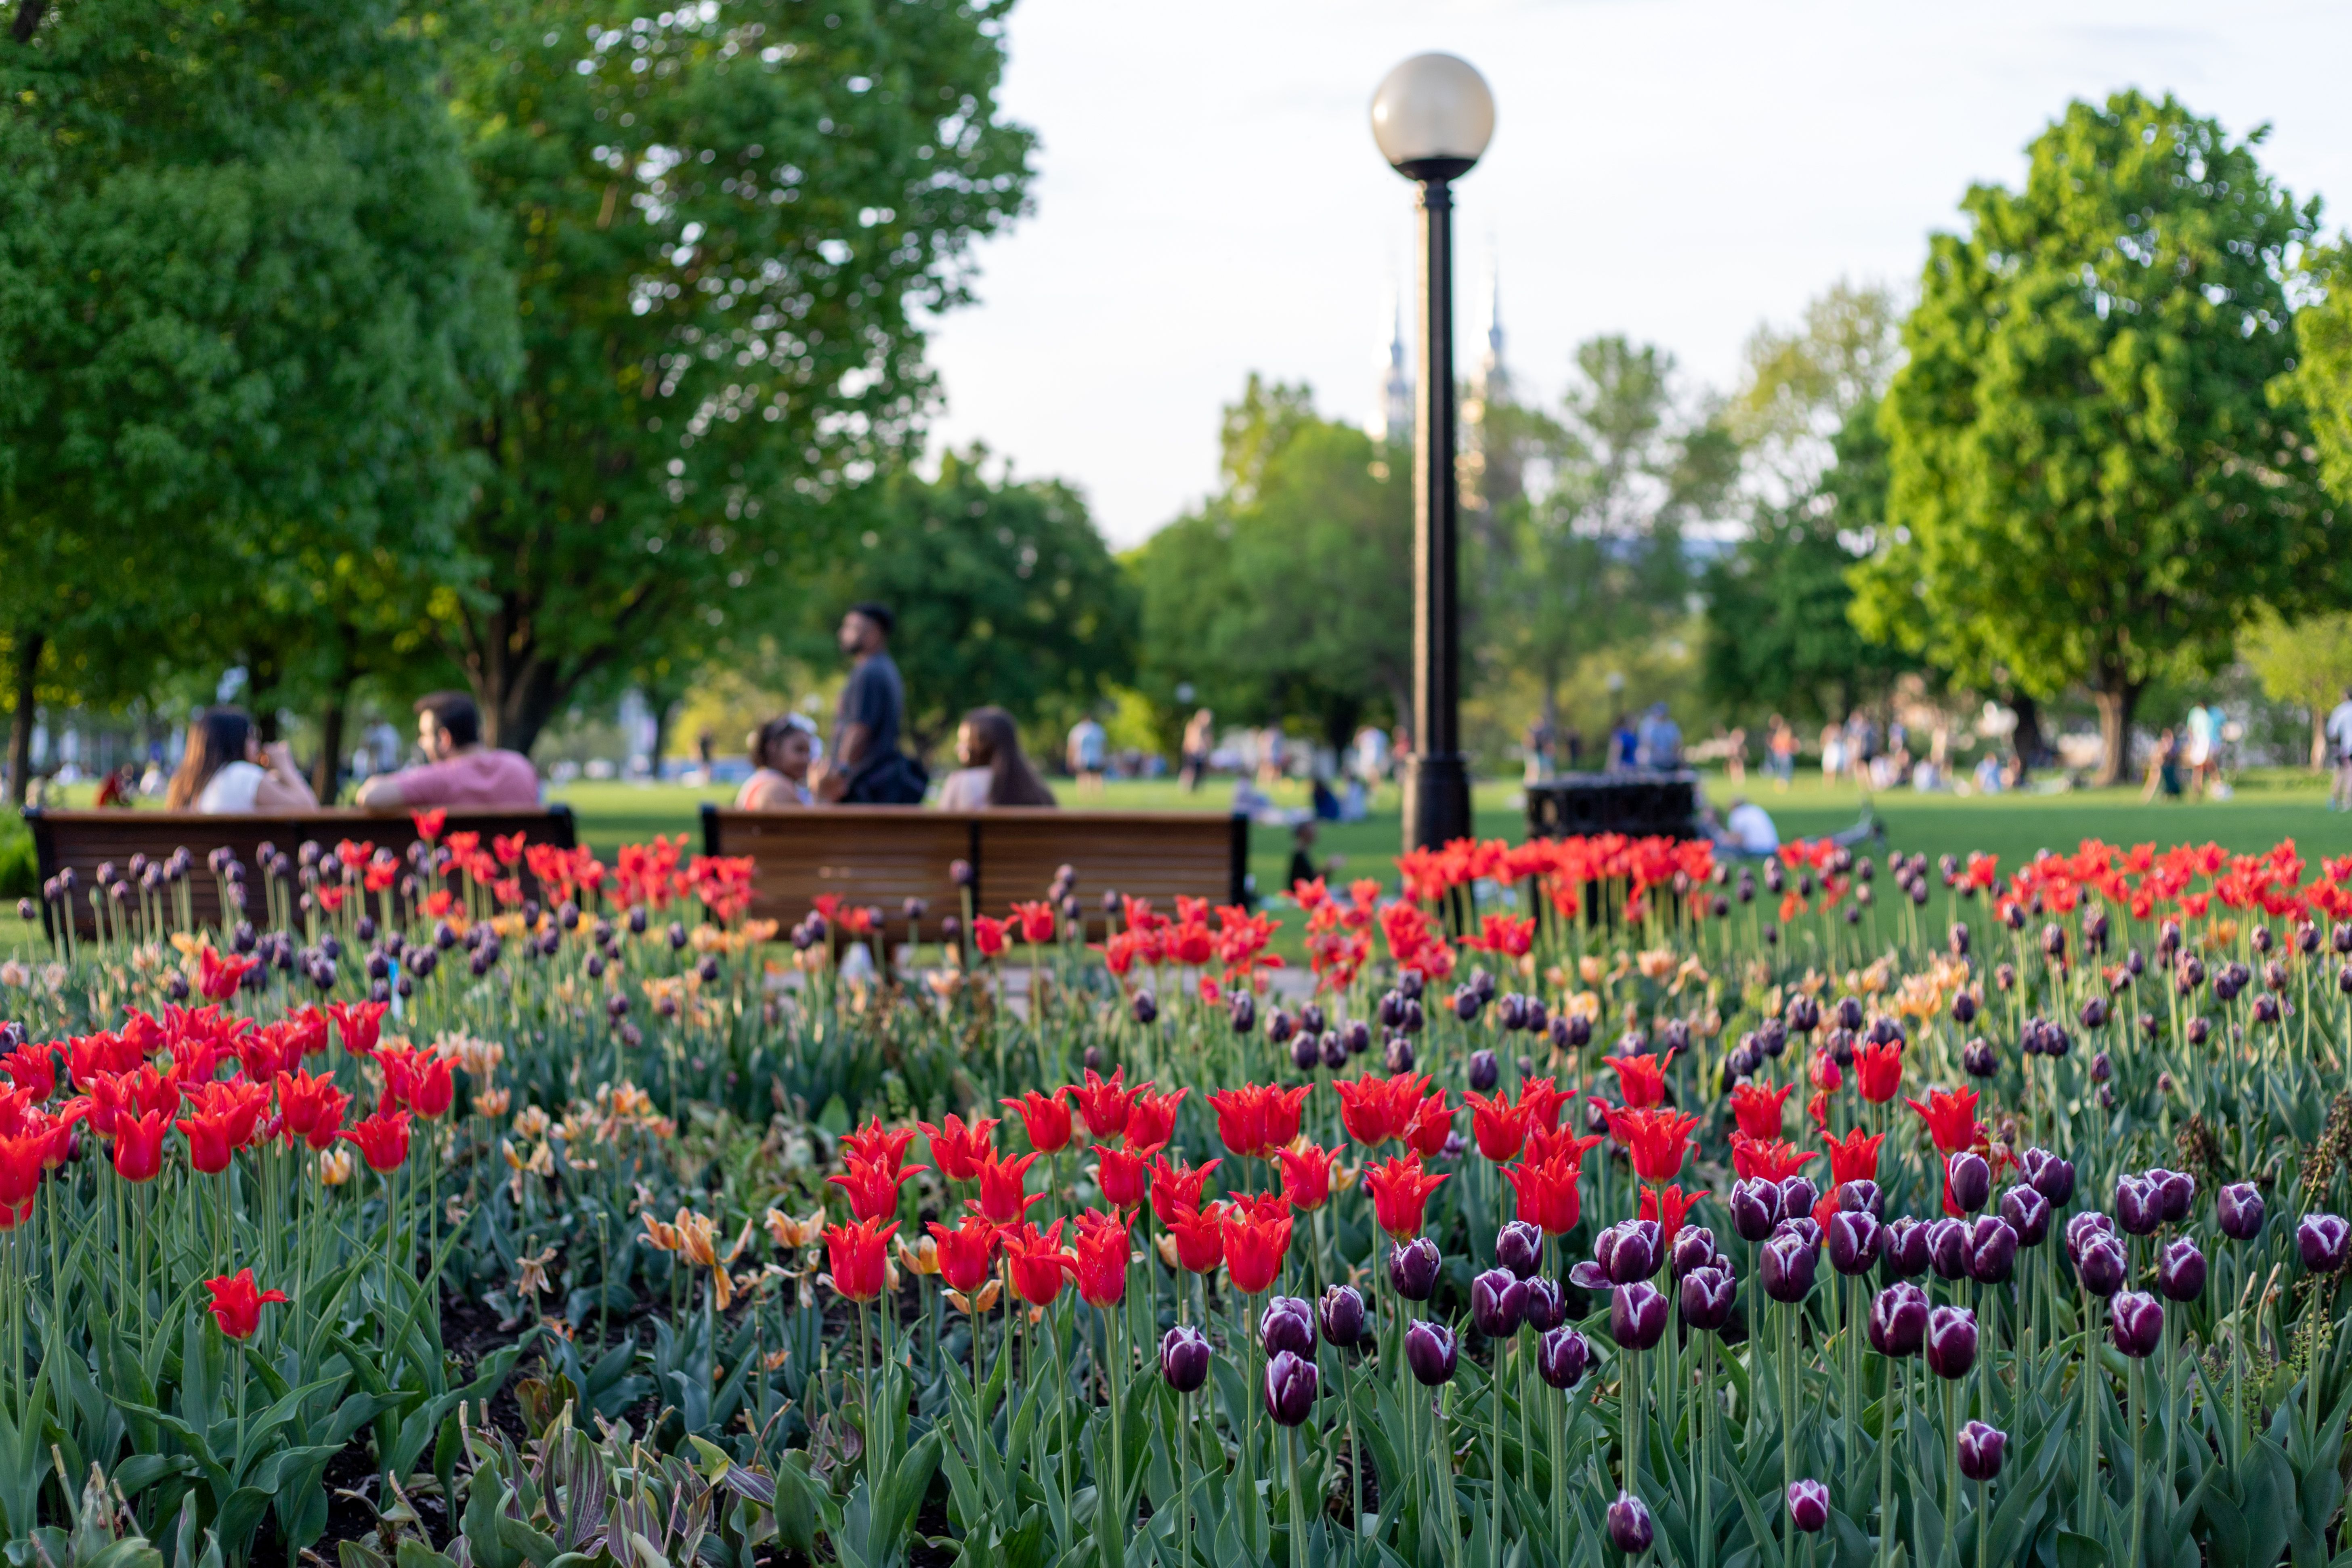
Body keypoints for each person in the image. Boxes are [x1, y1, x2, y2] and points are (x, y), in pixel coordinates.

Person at [812, 602, 925, 804]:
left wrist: (841, 773)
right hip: (878, 783)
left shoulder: (869, 672)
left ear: (873, 633)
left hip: (864, 785)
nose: (842, 633)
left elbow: (859, 728)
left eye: (851, 628)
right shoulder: (885, 668)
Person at [352, 693, 540, 809]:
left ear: (444, 739)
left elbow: (369, 797)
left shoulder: (442, 778)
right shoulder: (521, 767)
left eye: (425, 735)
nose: (421, 743)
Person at [166, 707, 320, 813]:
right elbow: (311, 811)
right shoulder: (241, 776)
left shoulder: (187, 785)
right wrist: (286, 768)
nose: (257, 744)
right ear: (235, 741)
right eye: (251, 736)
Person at [934, 707, 1057, 809]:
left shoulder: (960, 783)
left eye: (964, 742)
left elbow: (939, 833)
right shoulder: (1039, 794)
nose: (958, 748)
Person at [737, 715, 815, 809]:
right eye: (799, 750)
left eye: (809, 752)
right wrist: (823, 797)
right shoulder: (777, 789)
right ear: (773, 748)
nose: (807, 759)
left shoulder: (761, 779)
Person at [1067, 711, 1108, 796]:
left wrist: (1070, 759)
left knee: (1084, 777)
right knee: (1095, 777)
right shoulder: (1098, 729)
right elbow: (1104, 745)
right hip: (1095, 757)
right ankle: (1098, 796)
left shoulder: (1077, 730)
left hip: (1082, 758)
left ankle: (1085, 796)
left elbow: (1072, 745)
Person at [2141, 727, 2183, 803]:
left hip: (2167, 768)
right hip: (2159, 767)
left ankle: (2164, 794)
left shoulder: (2172, 746)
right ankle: (2147, 796)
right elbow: (2156, 757)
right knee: (2154, 779)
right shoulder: (2160, 745)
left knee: (2165, 778)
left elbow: (2173, 756)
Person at [2327, 688, 2352, 811]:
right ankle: (2346, 801)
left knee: (2342, 772)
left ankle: (2337, 800)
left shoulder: (2341, 710)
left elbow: (2332, 731)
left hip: (2347, 746)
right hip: (2347, 746)